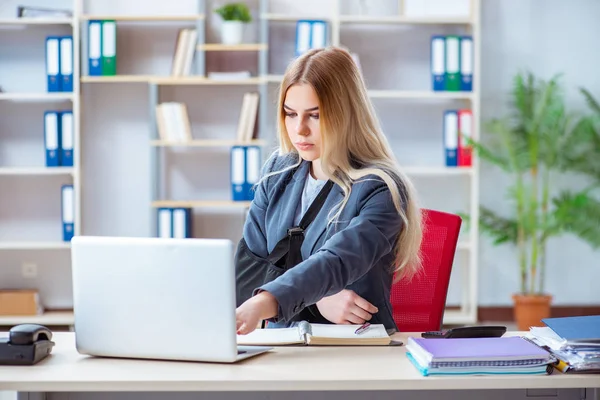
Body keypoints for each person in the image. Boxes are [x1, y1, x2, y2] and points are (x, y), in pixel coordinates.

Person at [235, 46, 423, 335]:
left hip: (351, 346)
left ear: (346, 114)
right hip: (280, 343)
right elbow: (249, 273)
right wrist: (318, 300)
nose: (299, 130)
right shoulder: (276, 172)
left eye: (315, 115)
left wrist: (270, 301)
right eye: (290, 114)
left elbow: (337, 262)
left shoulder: (381, 189)